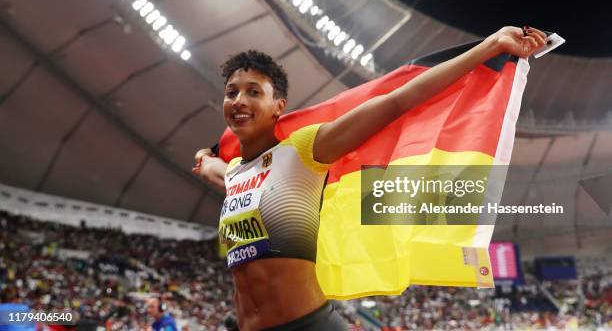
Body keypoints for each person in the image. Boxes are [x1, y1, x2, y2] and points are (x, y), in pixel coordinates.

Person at [193, 26, 547, 331]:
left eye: (254, 91)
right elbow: (211, 168)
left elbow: (397, 101)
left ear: (279, 106)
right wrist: (206, 155)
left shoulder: (302, 150)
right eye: (232, 92)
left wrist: (491, 46)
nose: (239, 99)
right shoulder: (236, 171)